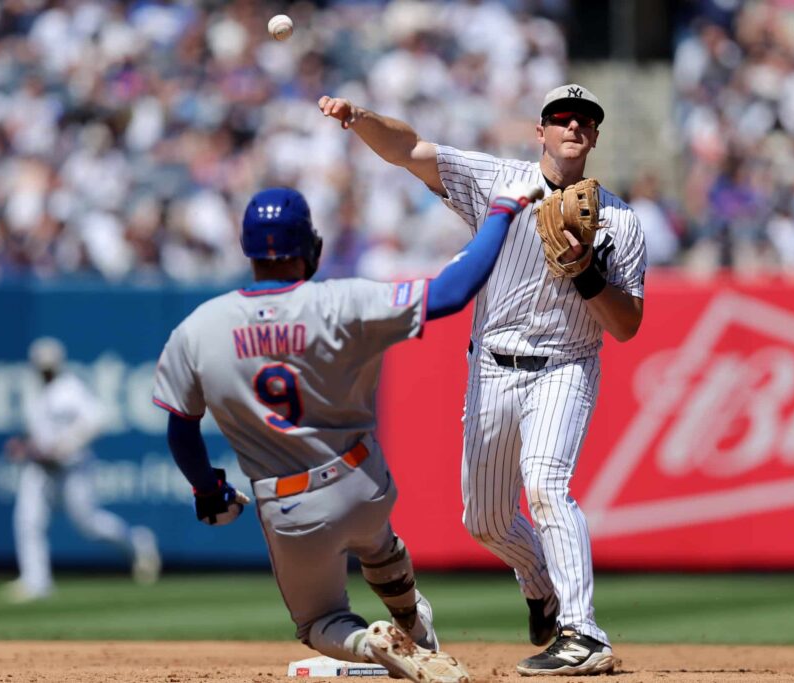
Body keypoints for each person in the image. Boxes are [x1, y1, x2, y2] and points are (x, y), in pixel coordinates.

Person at [151, 183, 542, 683]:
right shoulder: (344, 299)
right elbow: (451, 292)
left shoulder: (197, 329)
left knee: (318, 622)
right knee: (377, 543)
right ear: (309, 247)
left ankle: (372, 641)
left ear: (248, 250)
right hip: (364, 479)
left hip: (291, 505)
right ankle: (413, 625)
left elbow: (181, 427)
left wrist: (209, 489)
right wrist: (502, 213)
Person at [318, 83, 646, 676]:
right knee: (485, 520)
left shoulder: (620, 222)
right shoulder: (498, 179)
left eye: (586, 121)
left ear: (595, 136)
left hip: (566, 366)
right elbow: (410, 149)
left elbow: (626, 326)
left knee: (547, 485)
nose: (574, 127)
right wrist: (359, 116)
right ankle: (541, 584)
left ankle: (583, 633)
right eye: (562, 118)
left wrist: (588, 276)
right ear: (540, 130)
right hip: (492, 366)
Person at [4, 337, 161, 603]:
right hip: (41, 469)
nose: (45, 370)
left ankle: (137, 542)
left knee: (89, 525)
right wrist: (25, 446)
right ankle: (37, 581)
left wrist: (66, 445)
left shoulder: (69, 388)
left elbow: (98, 419)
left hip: (72, 468)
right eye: (41, 366)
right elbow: (40, 435)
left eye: (48, 365)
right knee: (28, 521)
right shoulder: (36, 394)